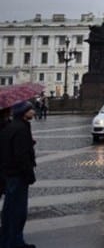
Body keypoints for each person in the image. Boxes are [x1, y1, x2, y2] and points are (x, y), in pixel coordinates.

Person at [0, 101, 37, 248]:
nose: (33, 111)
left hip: (9, 173)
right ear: (23, 112)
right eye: (30, 109)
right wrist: (29, 175)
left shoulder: (10, 126)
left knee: (9, 209)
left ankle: (7, 241)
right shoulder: (21, 129)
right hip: (18, 175)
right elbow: (20, 156)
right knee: (18, 211)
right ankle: (16, 242)